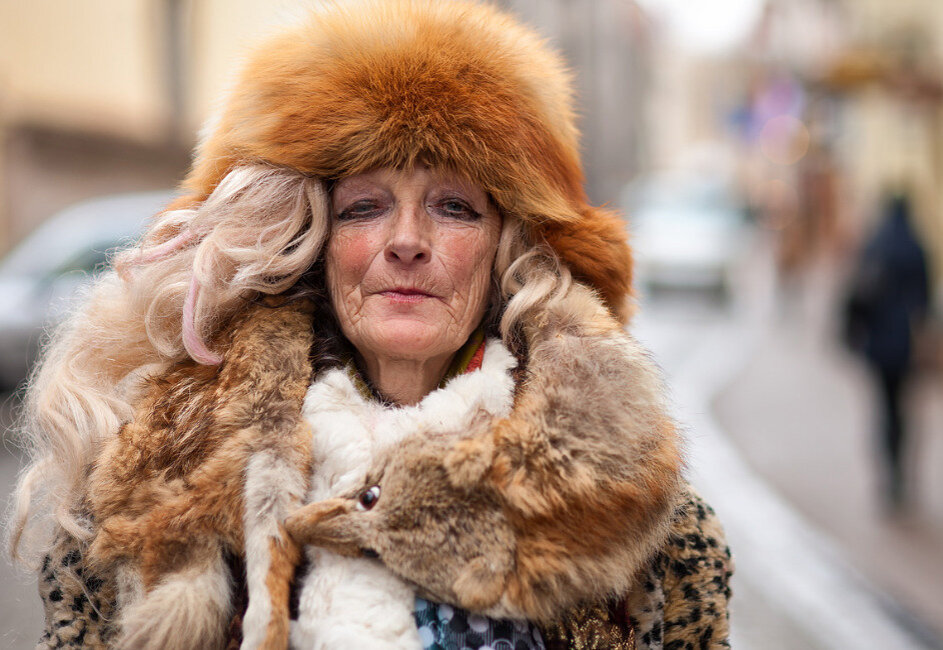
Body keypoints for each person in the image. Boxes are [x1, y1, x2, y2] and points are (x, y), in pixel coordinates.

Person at [8, 2, 733, 648]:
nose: (406, 240)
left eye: (453, 207)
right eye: (363, 207)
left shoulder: (628, 516)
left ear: (506, 251)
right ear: (314, 242)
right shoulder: (154, 490)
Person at [843, 192, 931, 508]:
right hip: (905, 344)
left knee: (884, 408)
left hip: (878, 344)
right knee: (901, 409)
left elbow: (858, 292)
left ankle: (888, 474)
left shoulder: (876, 243)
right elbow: (925, 301)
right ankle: (900, 474)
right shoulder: (915, 247)